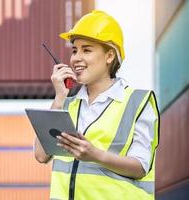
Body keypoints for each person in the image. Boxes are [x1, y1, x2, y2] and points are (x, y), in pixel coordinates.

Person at [33, 10, 160, 200]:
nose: (76, 58)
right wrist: (59, 97)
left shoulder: (137, 102)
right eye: (74, 50)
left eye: (87, 50)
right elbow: (41, 155)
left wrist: (94, 154)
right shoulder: (67, 104)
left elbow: (141, 167)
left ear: (109, 56)